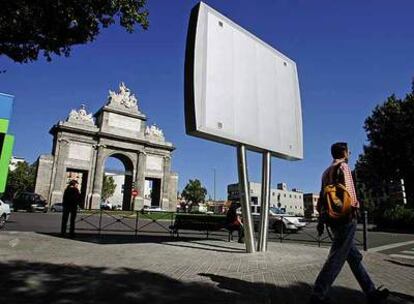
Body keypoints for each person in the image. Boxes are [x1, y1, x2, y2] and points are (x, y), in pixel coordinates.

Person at [309, 142, 389, 304]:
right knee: (337, 257)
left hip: (332, 218)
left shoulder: (325, 172)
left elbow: (324, 197)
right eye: (348, 151)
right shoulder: (344, 168)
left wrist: (322, 219)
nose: (350, 153)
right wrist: (355, 208)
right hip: (346, 216)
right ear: (344, 153)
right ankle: (318, 294)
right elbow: (349, 194)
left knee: (352, 257)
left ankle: (371, 292)